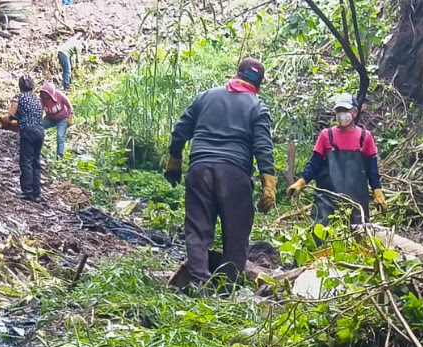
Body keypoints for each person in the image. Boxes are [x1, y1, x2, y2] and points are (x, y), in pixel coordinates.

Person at [165, 58, 276, 286]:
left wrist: (175, 158)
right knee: (236, 235)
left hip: (200, 169)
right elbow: (263, 148)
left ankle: (198, 283)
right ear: (259, 84)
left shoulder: (206, 96)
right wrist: (269, 185)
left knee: (197, 230)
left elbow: (180, 130)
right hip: (234, 174)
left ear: (237, 74)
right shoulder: (257, 106)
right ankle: (228, 288)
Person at [286, 93, 387, 225]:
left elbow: (372, 169)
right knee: (322, 235)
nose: (341, 114)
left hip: (356, 203)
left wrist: (377, 191)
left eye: (345, 110)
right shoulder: (326, 136)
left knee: (356, 238)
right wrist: (301, 182)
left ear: (354, 112)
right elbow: (314, 164)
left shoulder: (365, 137)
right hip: (327, 201)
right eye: (339, 111)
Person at [7, 75, 45, 201]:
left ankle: (27, 191)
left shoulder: (18, 98)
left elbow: (11, 116)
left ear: (20, 86)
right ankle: (37, 192)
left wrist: (3, 120)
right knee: (36, 161)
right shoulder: (37, 100)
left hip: (28, 131)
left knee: (26, 161)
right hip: (39, 131)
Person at [39, 83, 73, 158]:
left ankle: (59, 156)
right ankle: (37, 148)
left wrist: (70, 118)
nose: (45, 98)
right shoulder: (41, 100)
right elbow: (39, 111)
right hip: (50, 119)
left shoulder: (60, 96)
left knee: (60, 136)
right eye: (43, 95)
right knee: (38, 127)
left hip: (62, 118)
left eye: (46, 95)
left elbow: (70, 107)